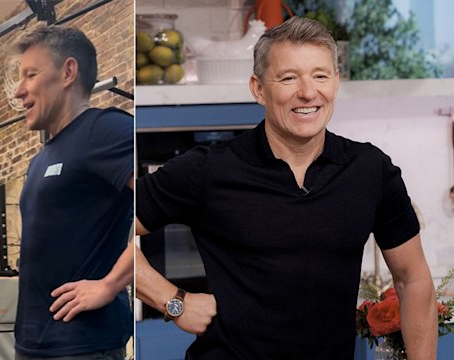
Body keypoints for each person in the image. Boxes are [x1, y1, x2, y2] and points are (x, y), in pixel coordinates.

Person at [135, 17, 437, 359]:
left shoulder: (370, 169)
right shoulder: (208, 168)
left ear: (336, 82)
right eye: (288, 77)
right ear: (258, 88)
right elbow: (109, 223)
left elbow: (413, 279)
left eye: (320, 76)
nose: (308, 92)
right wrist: (174, 301)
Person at [12, 26, 134, 360]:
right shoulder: (41, 159)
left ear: (68, 72)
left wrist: (110, 284)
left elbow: (167, 202)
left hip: (83, 345)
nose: (19, 91)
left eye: (31, 75)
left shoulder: (104, 130)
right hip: (32, 343)